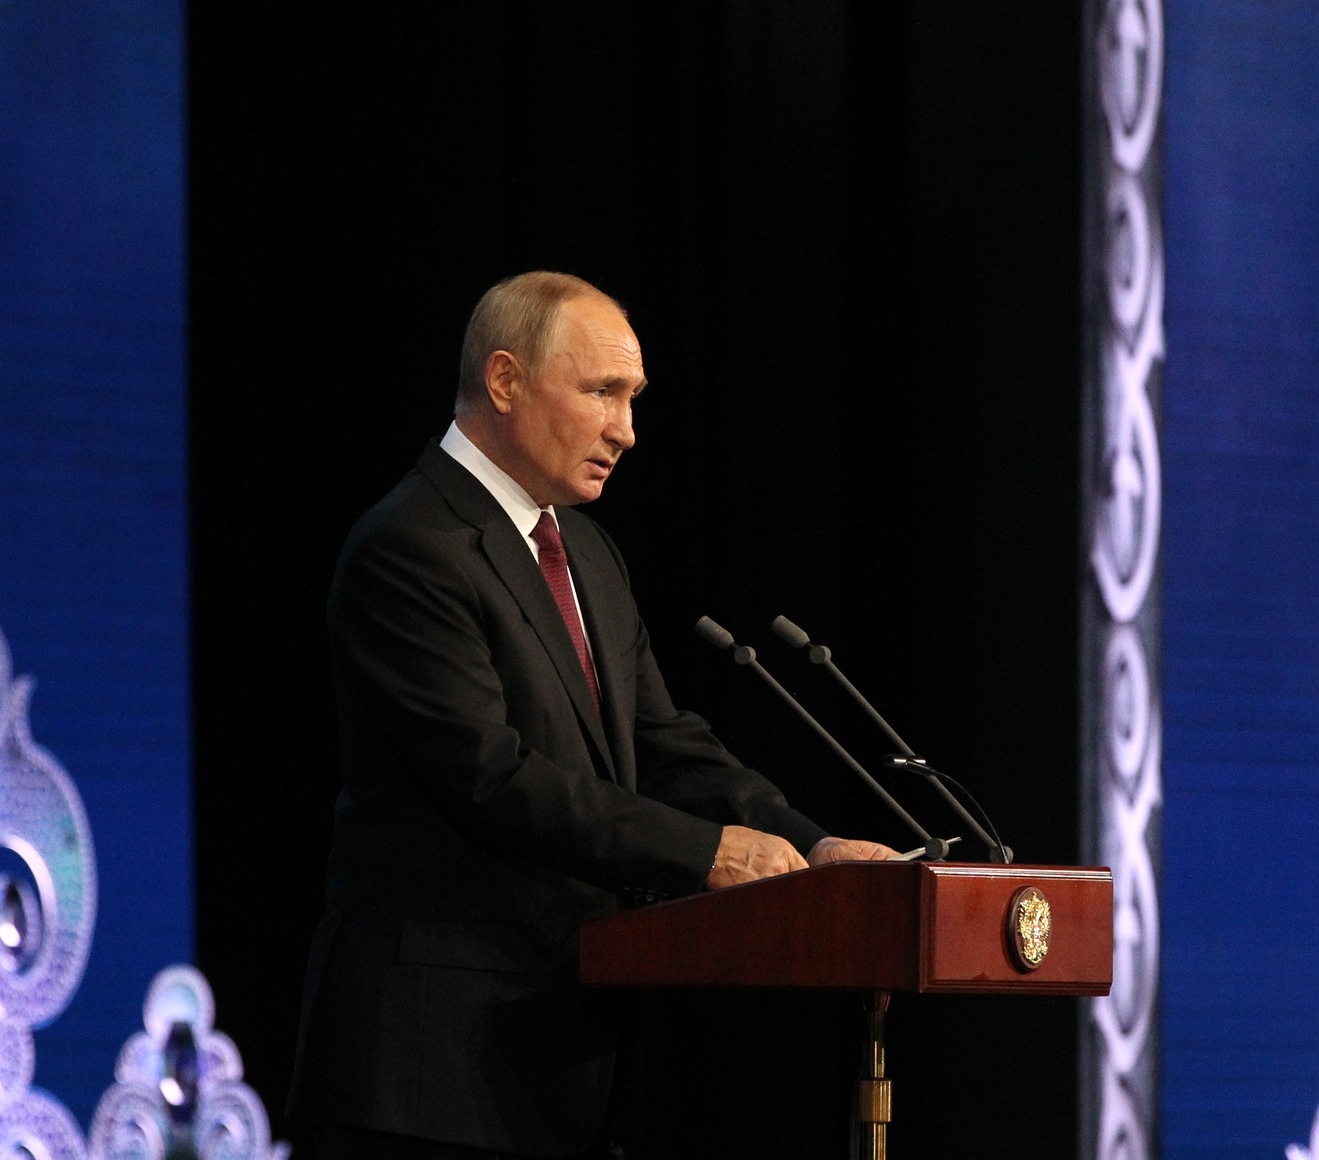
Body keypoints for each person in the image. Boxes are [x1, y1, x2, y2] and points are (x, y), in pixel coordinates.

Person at [289, 272, 896, 1159]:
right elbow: (490, 778)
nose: (626, 429)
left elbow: (662, 746)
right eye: (603, 392)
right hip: (425, 1073)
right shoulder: (410, 547)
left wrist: (810, 850)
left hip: (564, 1068)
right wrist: (705, 852)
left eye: (633, 397)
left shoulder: (586, 552)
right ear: (505, 381)